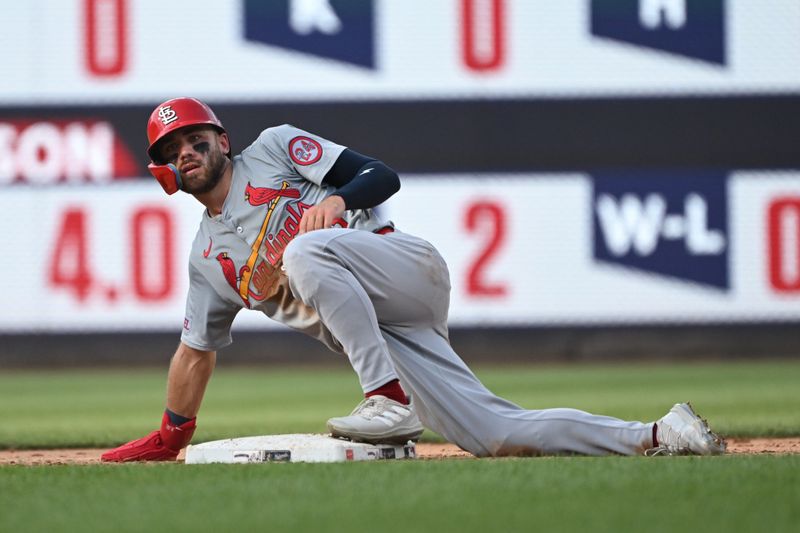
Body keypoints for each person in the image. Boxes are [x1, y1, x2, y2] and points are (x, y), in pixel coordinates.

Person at [102, 97, 725, 462]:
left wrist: (339, 202)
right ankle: (660, 434)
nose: (186, 151)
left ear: (221, 139)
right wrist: (169, 435)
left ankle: (387, 402)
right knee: (492, 433)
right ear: (163, 171)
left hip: (401, 268)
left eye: (195, 137)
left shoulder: (273, 147)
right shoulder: (208, 261)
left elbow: (381, 175)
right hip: (382, 334)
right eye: (171, 148)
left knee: (306, 251)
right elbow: (194, 353)